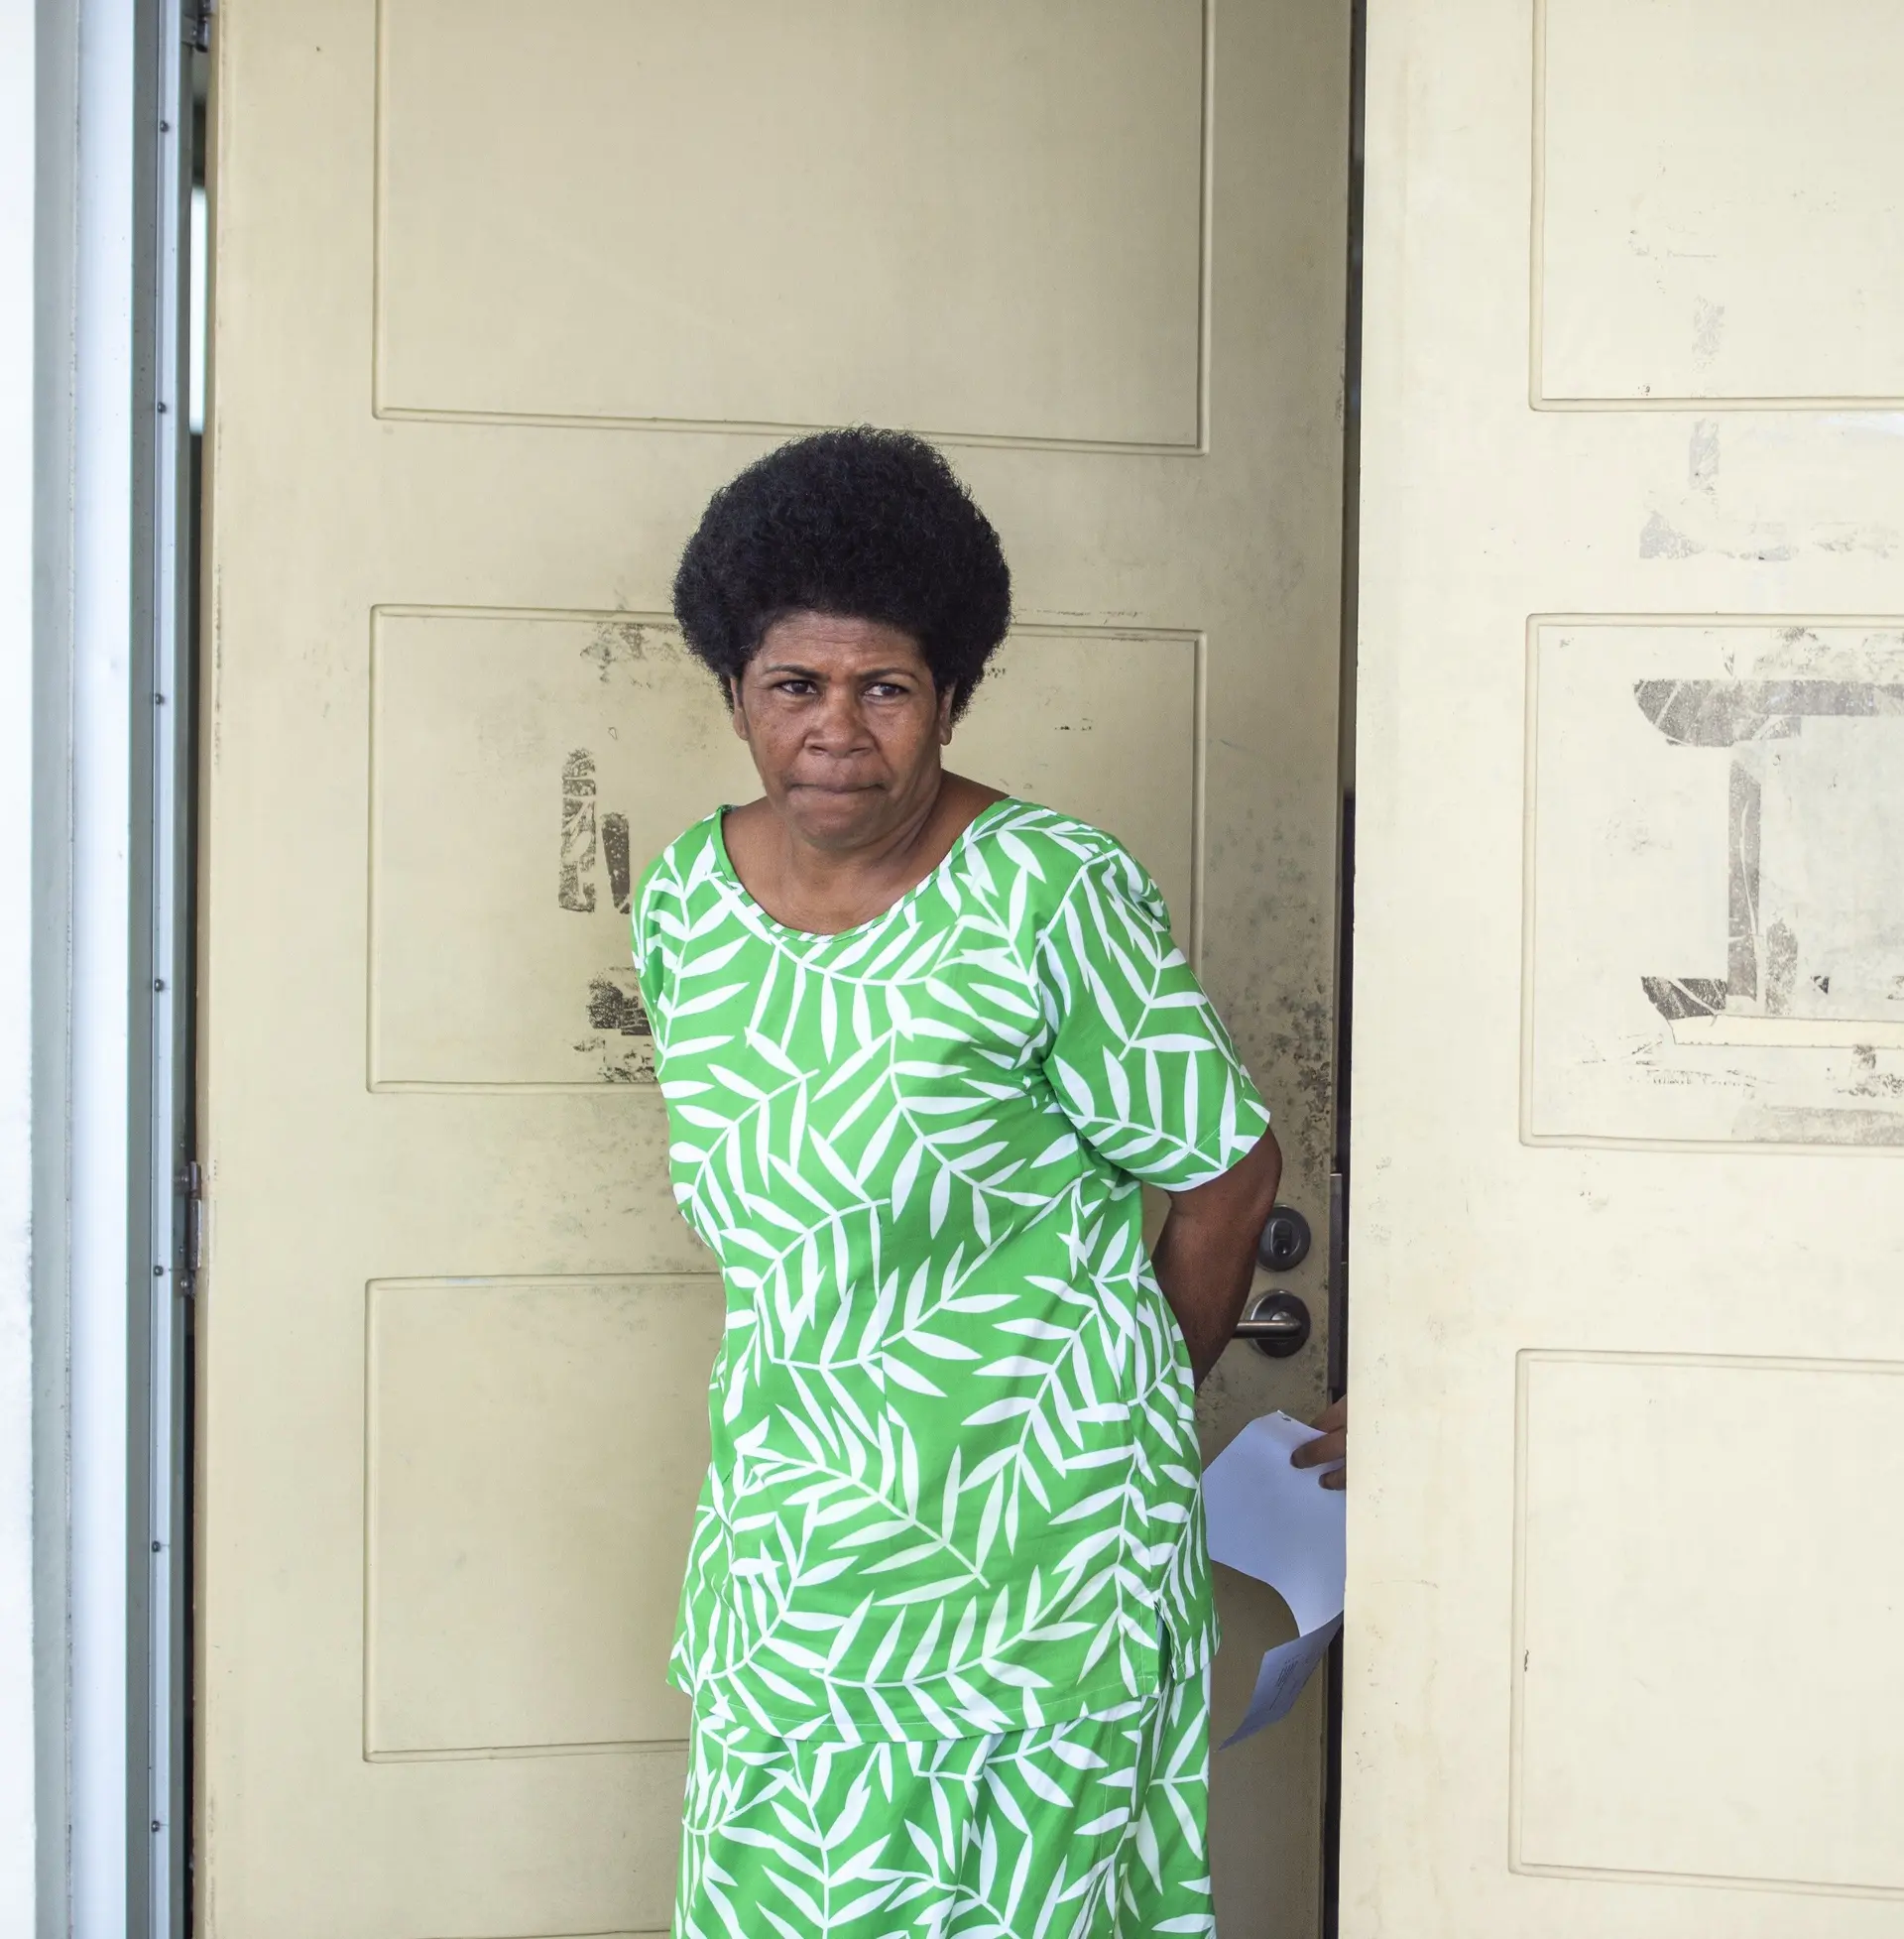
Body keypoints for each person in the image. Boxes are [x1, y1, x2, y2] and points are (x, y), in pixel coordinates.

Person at [633, 427, 1284, 1939]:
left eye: (887, 687)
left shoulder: (1048, 890)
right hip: (796, 1540)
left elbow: (1227, 1177)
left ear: (949, 697)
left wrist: (1099, 1408)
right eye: (796, 685)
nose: (837, 731)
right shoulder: (684, 899)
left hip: (1039, 1555)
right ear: (735, 690)